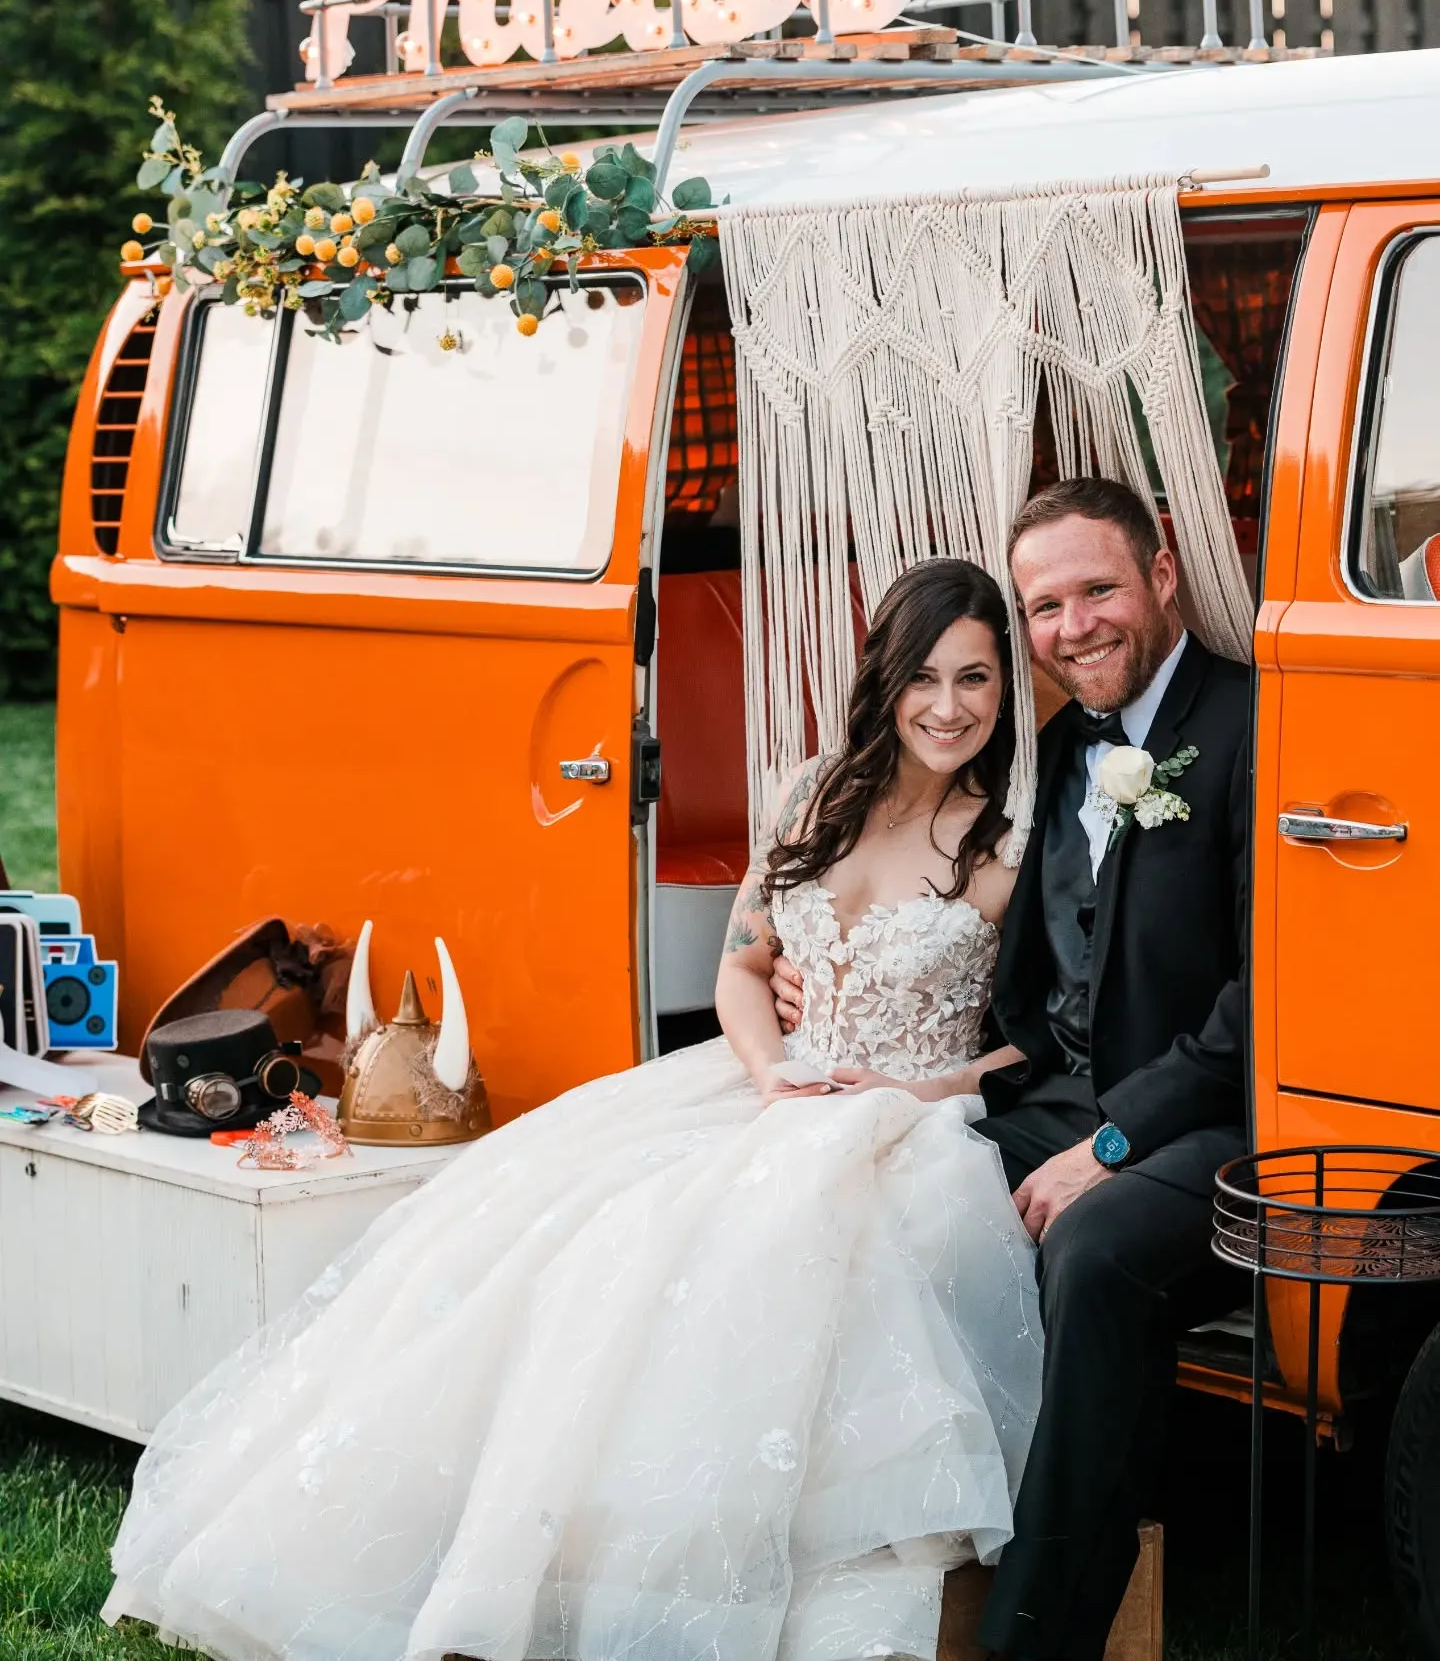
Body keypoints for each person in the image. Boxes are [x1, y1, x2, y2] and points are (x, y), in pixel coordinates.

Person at [104, 557, 1044, 1661]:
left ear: (1005, 692)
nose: (948, 707)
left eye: (976, 679)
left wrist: (915, 1090)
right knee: (567, 1231)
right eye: (924, 676)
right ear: (883, 680)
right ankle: (515, 1537)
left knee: (756, 1255)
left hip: (905, 1116)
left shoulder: (1003, 848)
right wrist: (769, 1075)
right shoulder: (812, 796)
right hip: (770, 1084)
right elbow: (745, 968)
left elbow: (1045, 1041)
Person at [772, 477, 1249, 1661]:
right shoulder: (1052, 762)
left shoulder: (1251, 726)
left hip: (1211, 1115)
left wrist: (1114, 1142)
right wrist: (879, 1048)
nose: (1073, 625)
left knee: (1091, 1253)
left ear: (1165, 572)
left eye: (1098, 590)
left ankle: (1039, 1626)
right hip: (1058, 1101)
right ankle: (880, 1546)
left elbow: (1261, 1002)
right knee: (873, 1188)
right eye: (1047, 606)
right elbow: (1029, 1000)